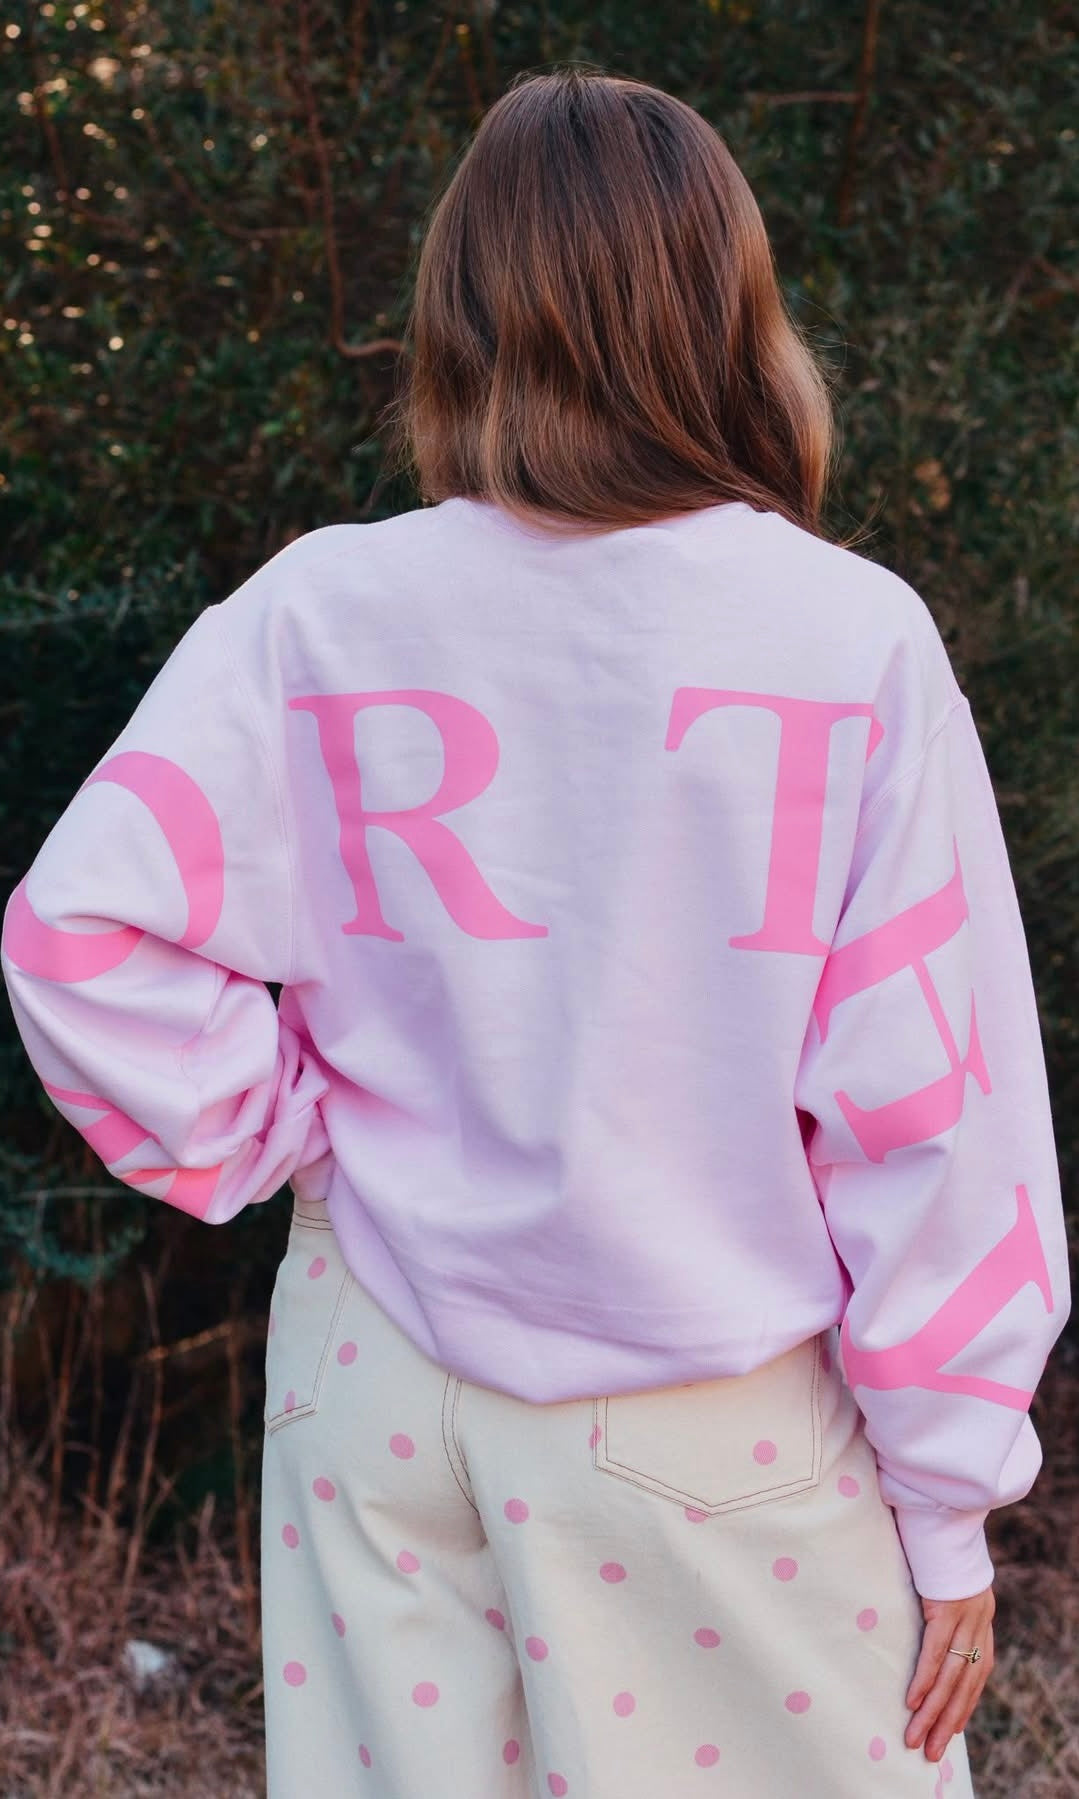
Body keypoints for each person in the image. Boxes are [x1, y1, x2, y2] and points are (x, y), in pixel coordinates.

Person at [1, 66, 1069, 1799]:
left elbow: (81, 936)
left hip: (374, 1371)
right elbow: (934, 1111)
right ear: (727, 310)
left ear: (464, 316)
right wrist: (949, 1497)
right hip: (710, 1411)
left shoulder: (319, 609)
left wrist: (291, 1131)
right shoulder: (847, 639)